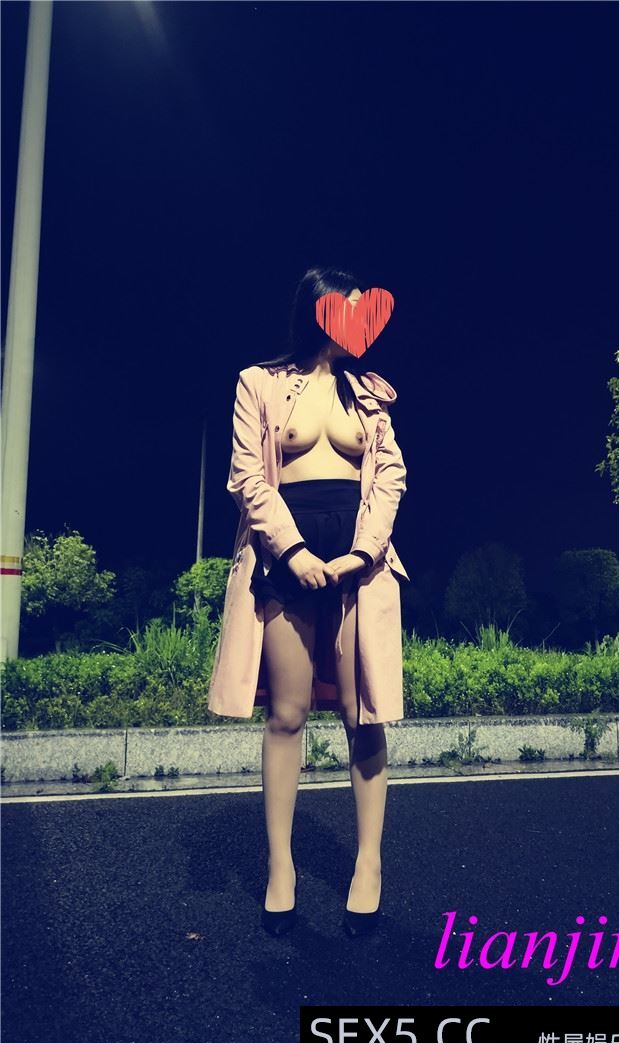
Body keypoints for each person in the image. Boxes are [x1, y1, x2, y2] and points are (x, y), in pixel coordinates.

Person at [243, 266, 407, 938]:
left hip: (357, 565)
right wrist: (294, 553)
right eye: (349, 310)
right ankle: (280, 866)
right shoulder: (258, 382)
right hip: (286, 559)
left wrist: (361, 554)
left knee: (361, 714)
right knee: (287, 714)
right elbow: (248, 478)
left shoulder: (369, 394)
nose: (359, 324)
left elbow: (390, 475)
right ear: (320, 310)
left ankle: (368, 864)